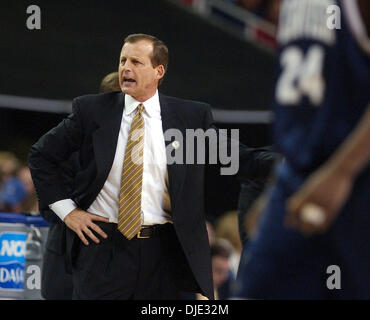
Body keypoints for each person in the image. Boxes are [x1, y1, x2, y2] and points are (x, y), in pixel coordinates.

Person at [28, 33, 276, 300]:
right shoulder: (93, 111)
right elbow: (41, 156)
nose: (126, 68)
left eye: (136, 61)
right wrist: (68, 212)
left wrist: (298, 163)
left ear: (159, 71)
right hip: (102, 246)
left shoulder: (188, 118)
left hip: (163, 254)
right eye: (123, 60)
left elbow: (240, 159)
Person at [235, 0, 370, 299]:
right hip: (296, 180)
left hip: (356, 178)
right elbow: (306, 118)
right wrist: (274, 191)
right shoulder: (286, 8)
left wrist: (341, 173)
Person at [39, 72, 120, 300]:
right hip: (69, 265)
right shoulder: (69, 142)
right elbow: (47, 205)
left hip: (119, 270)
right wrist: (72, 215)